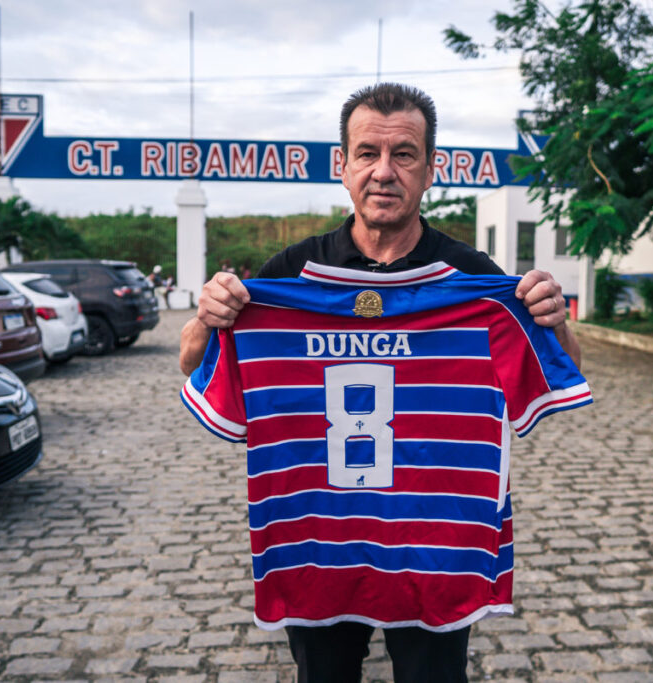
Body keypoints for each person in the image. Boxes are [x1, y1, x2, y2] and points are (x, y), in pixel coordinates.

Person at [179, 83, 582, 682]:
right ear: (343, 166)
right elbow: (194, 363)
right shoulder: (287, 277)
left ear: (431, 170)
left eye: (405, 155)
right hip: (317, 545)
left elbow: (560, 368)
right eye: (367, 153)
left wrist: (552, 321)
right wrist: (204, 320)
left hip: (435, 543)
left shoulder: (474, 280)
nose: (384, 172)